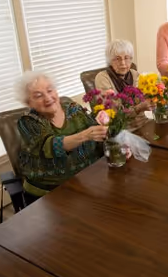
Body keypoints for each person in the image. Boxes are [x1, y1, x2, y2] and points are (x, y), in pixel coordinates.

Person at [16, 71, 107, 203]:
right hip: (50, 193)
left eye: (50, 90)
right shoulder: (27, 122)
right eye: (38, 96)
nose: (48, 98)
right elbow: (50, 146)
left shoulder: (73, 109)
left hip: (87, 180)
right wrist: (85, 135)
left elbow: (98, 132)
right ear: (29, 103)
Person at [95, 39, 151, 129]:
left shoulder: (134, 74)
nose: (123, 63)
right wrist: (138, 108)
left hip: (143, 123)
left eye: (126, 58)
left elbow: (143, 100)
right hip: (122, 129)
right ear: (110, 61)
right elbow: (115, 113)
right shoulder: (102, 78)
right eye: (117, 59)